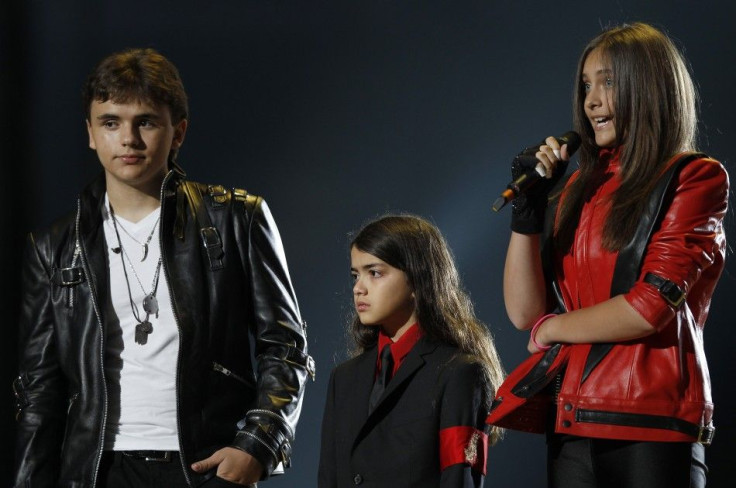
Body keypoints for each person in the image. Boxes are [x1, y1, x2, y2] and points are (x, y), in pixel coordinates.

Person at [12, 48, 314, 488]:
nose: (129, 139)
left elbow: (286, 346)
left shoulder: (237, 219)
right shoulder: (53, 246)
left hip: (204, 466)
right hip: (97, 471)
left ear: (178, 133)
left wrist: (257, 445)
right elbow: (39, 391)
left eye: (146, 122)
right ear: (91, 134)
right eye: (111, 122)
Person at [486, 23, 728, 488]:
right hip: (572, 420)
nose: (590, 101)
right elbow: (523, 312)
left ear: (650, 85)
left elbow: (648, 307)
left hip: (652, 425)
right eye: (585, 86)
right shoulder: (580, 186)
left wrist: (553, 329)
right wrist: (528, 211)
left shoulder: (694, 177)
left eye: (608, 82)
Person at [318, 215, 505, 488]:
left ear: (418, 278)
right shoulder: (343, 378)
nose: (358, 288)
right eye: (355, 275)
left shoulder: (460, 372)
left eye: (375, 273)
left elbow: (459, 479)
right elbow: (329, 478)